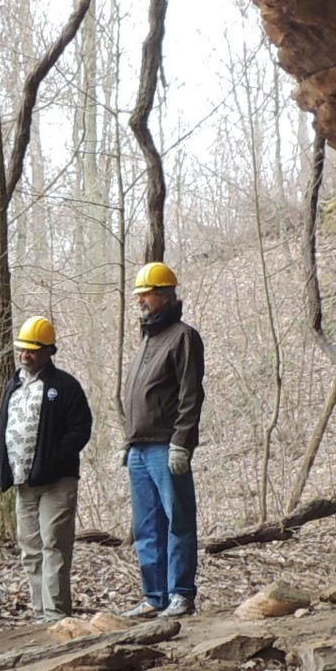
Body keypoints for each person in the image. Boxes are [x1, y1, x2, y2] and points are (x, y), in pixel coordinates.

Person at [120, 262, 206, 619]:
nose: (141, 300)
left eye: (147, 294)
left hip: (165, 446)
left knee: (178, 521)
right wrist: (128, 444)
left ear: (166, 295)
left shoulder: (183, 336)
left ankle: (181, 594)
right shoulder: (147, 339)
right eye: (139, 294)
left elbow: (190, 395)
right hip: (139, 448)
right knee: (147, 527)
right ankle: (154, 596)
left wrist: (182, 442)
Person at [0, 315, 93, 622]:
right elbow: (2, 429)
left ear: (50, 351)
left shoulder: (64, 386)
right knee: (31, 548)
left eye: (33, 349)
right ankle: (40, 615)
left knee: (54, 545)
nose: (26, 355)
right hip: (24, 483)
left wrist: (53, 460)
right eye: (22, 348)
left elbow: (81, 428)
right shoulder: (14, 385)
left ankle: (57, 615)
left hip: (57, 482)